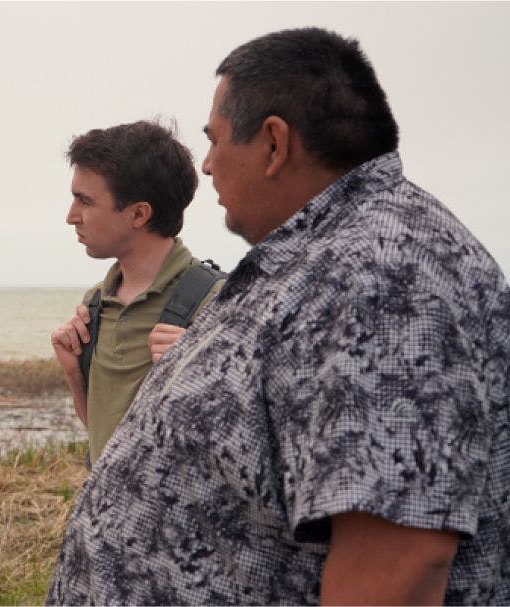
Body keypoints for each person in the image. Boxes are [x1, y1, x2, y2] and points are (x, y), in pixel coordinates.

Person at [47, 27, 510, 605]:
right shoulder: (322, 258)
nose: (208, 166)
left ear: (273, 144)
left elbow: (400, 563)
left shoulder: (385, 277)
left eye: (214, 141)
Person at [50, 121, 223, 463]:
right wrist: (73, 372)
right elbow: (103, 439)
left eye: (85, 201)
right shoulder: (95, 306)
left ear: (139, 214)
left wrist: (201, 372)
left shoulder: (217, 302)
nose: (72, 217)